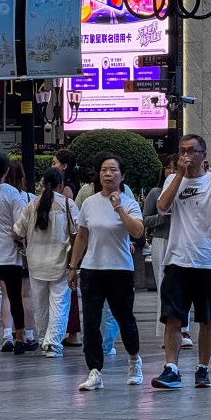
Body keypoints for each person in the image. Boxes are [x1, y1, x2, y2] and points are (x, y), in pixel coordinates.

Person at [151, 134, 211, 389]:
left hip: (207, 261)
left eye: (192, 151)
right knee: (173, 317)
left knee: (206, 318)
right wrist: (178, 176)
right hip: (177, 259)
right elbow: (162, 207)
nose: (186, 155)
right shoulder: (172, 181)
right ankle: (171, 368)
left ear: (203, 155)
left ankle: (203, 368)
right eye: (182, 151)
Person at [67, 152, 144, 391]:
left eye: (113, 170)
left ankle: (134, 359)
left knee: (125, 319)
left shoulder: (129, 203)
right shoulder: (89, 203)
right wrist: (73, 266)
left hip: (120, 270)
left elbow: (138, 232)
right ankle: (94, 371)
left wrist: (119, 208)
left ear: (122, 176)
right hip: (92, 269)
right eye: (103, 170)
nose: (108, 174)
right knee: (90, 322)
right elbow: (82, 235)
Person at [12, 168, 77, 357]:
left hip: (35, 262)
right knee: (59, 303)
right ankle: (53, 343)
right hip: (61, 263)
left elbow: (17, 232)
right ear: (61, 185)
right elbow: (78, 231)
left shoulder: (31, 205)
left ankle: (43, 340)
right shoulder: (67, 204)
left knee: (40, 303)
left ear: (42, 184)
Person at [143, 155, 192, 343]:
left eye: (176, 168)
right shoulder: (156, 193)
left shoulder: (189, 190)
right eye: (168, 168)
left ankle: (184, 329)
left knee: (185, 288)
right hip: (162, 240)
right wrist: (162, 217)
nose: (172, 172)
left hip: (184, 241)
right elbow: (145, 220)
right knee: (165, 286)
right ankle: (168, 331)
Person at [0, 153, 33, 354]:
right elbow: (19, 226)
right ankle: (21, 338)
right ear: (7, 170)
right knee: (15, 297)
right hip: (9, 254)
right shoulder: (13, 194)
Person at [51, 149, 82, 348]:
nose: (52, 165)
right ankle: (68, 332)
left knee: (66, 291)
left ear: (64, 166)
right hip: (63, 247)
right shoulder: (66, 188)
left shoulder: (66, 191)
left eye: (55, 163)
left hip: (64, 247)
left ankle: (71, 333)